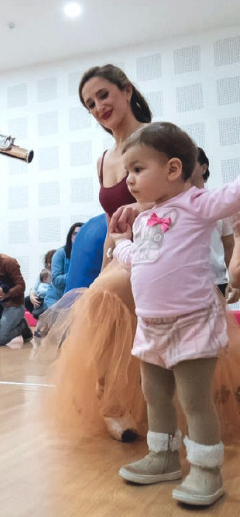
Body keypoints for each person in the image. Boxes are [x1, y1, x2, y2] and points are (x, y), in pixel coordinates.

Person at [110, 122, 240, 506]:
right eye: (126, 172)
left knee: (194, 398)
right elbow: (140, 260)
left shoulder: (198, 204)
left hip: (191, 322)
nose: (129, 180)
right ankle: (163, 456)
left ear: (171, 169)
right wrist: (120, 246)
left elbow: (233, 195)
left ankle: (205, 468)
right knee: (154, 394)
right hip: (151, 325)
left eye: (137, 169)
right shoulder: (146, 218)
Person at [37, 64, 153, 441]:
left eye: (104, 95)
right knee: (94, 299)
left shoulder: (154, 139)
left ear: (127, 90)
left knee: (101, 300)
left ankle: (120, 403)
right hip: (123, 252)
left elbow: (181, 195)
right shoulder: (104, 159)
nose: (99, 106)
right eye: (90, 103)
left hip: (159, 248)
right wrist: (107, 261)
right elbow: (109, 222)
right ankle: (117, 403)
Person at [191, 148, 237, 302]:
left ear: (203, 168)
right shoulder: (171, 206)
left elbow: (229, 245)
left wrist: (235, 282)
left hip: (217, 282)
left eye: (190, 162)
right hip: (184, 285)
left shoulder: (219, 202)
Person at [43, 222, 82, 308]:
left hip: (76, 300)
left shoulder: (87, 254)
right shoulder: (60, 253)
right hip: (57, 300)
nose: (78, 236)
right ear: (70, 236)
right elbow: (56, 280)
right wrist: (75, 276)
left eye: (81, 233)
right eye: (75, 233)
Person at [25, 249, 55, 318]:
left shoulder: (59, 275)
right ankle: (40, 318)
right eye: (48, 262)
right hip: (41, 298)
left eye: (51, 262)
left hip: (52, 299)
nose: (49, 264)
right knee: (27, 299)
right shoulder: (43, 273)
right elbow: (35, 288)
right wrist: (32, 296)